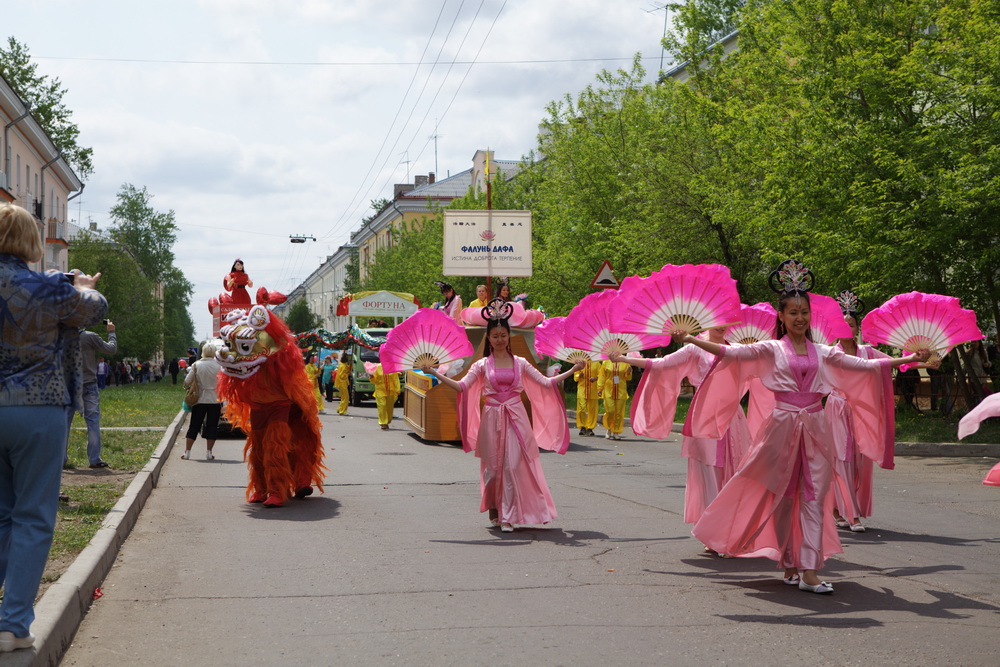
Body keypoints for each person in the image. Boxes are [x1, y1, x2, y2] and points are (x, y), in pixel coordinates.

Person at [680, 260, 929, 594]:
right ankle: (787, 561)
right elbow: (730, 355)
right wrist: (691, 340)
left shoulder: (824, 352)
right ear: (781, 317)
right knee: (781, 497)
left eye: (804, 312)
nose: (799, 318)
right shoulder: (769, 349)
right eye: (793, 312)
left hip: (815, 427)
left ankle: (810, 569)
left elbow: (865, 365)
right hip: (779, 430)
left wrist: (909, 359)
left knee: (814, 496)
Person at [0, 203, 107, 653]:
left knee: (3, 514)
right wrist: (81, 284)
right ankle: (12, 625)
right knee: (33, 516)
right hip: (38, 406)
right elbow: (95, 308)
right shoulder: (46, 288)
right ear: (30, 241)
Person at [422, 301, 583, 532]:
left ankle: (509, 515)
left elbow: (546, 383)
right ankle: (495, 510)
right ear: (489, 338)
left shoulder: (521, 363)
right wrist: (434, 372)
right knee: (493, 469)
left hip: (516, 419)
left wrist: (572, 370)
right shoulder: (481, 365)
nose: (500, 339)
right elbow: (461, 387)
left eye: (503, 335)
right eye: (495, 336)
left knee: (513, 466)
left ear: (509, 337)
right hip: (491, 419)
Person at [613, 326, 751, 532]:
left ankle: (734, 529)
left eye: (725, 320)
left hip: (733, 417)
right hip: (703, 415)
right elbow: (662, 364)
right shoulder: (695, 348)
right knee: (708, 472)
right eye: (716, 320)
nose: (721, 326)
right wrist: (624, 360)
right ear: (707, 321)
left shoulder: (738, 349)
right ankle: (713, 530)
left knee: (736, 471)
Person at [826, 292, 891, 533]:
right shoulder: (830, 353)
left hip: (862, 411)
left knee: (859, 462)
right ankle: (852, 516)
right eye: (842, 324)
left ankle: (837, 508)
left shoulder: (867, 352)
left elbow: (892, 364)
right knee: (841, 458)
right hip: (837, 407)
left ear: (857, 327)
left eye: (851, 324)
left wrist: (923, 361)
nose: (846, 327)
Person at [75, 319, 118, 468]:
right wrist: (111, 332)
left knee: (63, 424)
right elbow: (111, 349)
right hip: (88, 383)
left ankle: (60, 459)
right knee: (92, 422)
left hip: (67, 386)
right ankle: (94, 459)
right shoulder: (89, 337)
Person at [181, 342, 223, 460]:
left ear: (203, 352)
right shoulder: (220, 366)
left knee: (194, 425)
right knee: (212, 426)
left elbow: (187, 382)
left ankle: (187, 452)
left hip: (199, 399)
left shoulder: (196, 365)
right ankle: (209, 452)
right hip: (215, 400)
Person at [598, 354, 632, 440]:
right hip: (609, 390)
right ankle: (609, 428)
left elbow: (628, 378)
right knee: (610, 411)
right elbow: (602, 375)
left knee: (619, 412)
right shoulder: (606, 362)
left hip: (621, 390)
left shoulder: (625, 361)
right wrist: (599, 388)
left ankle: (616, 431)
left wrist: (628, 372)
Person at [573, 357, 603, 436]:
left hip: (593, 390)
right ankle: (582, 426)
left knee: (592, 409)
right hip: (582, 389)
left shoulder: (596, 363)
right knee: (581, 408)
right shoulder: (579, 364)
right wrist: (579, 375)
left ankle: (590, 428)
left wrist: (595, 378)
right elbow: (575, 378)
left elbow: (601, 375)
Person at [372, 363, 401, 430]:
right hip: (380, 390)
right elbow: (374, 381)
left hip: (391, 391)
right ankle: (383, 423)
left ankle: (387, 421)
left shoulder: (392, 367)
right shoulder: (377, 367)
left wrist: (397, 389)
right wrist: (371, 376)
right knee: (382, 406)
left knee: (389, 407)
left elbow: (395, 379)